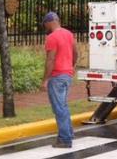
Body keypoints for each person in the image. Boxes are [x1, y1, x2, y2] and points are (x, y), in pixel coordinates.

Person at [42, 11, 78, 149]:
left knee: (59, 108)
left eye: (45, 24)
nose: (45, 27)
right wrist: (71, 66)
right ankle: (68, 133)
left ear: (49, 22)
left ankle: (65, 139)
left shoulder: (52, 37)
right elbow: (76, 53)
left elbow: (50, 60)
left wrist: (45, 79)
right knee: (63, 106)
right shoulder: (69, 34)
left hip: (57, 76)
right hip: (67, 75)